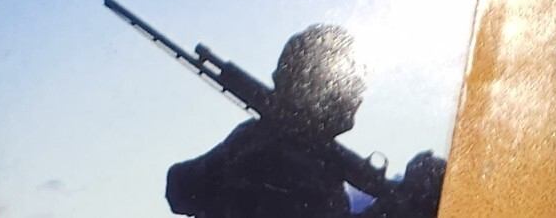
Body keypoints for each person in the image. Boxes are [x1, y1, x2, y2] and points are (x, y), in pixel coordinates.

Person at [163, 25, 442, 218]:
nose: (359, 90)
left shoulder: (274, 145)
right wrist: (404, 201)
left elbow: (182, 187)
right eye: (348, 78)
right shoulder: (276, 157)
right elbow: (182, 186)